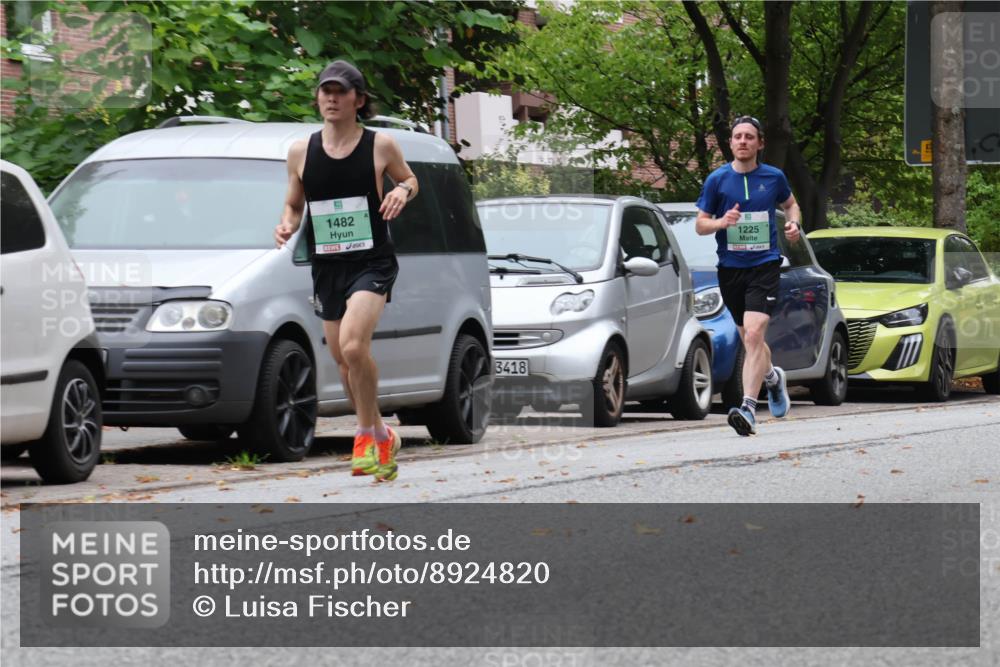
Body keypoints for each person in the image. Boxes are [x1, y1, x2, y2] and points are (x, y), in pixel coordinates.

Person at [275, 60, 418, 480]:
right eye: (325, 91)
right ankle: (382, 434)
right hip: (327, 264)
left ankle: (362, 435)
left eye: (340, 92)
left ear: (359, 99)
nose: (331, 98)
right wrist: (286, 222)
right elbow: (294, 203)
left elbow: (411, 179)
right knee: (342, 360)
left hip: (371, 261)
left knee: (355, 347)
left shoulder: (380, 145)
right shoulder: (302, 151)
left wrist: (402, 193)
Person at [695, 115, 802, 436]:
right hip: (730, 269)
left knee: (755, 335)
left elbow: (792, 204)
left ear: (760, 143)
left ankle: (748, 409)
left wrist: (794, 224)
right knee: (748, 337)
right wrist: (721, 223)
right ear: (730, 143)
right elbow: (701, 224)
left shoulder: (773, 177)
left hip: (764, 265)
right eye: (738, 137)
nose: (743, 141)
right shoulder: (717, 180)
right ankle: (773, 379)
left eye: (749, 137)